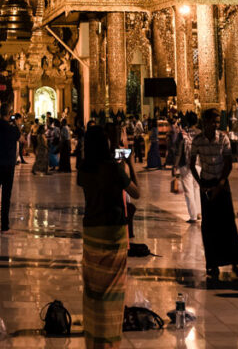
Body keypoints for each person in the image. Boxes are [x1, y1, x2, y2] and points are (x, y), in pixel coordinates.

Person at [78, 124, 140, 349]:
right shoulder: (114, 170)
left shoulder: (84, 170)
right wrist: (130, 164)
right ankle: (109, 340)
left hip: (92, 234)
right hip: (113, 234)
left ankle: (93, 338)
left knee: (94, 290)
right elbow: (137, 193)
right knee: (112, 291)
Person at [190, 108, 238, 279]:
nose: (215, 125)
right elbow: (191, 164)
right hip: (206, 184)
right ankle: (212, 265)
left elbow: (228, 163)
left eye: (216, 122)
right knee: (209, 226)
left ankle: (235, 263)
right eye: (212, 121)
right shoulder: (198, 141)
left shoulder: (223, 138)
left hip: (221, 182)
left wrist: (221, 183)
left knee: (227, 223)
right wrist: (201, 184)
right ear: (205, 122)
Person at [0, 104, 19, 232]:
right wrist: (13, 123)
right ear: (8, 114)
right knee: (6, 195)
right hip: (8, 164)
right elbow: (18, 136)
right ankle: (5, 225)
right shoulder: (12, 129)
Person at [173, 112, 201, 223]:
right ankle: (198, 212)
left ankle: (193, 216)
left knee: (189, 191)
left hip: (186, 164)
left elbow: (179, 152)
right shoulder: (201, 133)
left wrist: (175, 166)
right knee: (197, 188)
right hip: (198, 164)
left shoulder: (182, 134)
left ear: (187, 122)